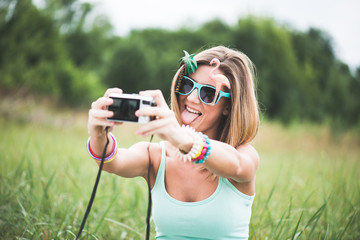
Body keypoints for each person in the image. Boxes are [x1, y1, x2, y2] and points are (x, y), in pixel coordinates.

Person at [87, 46, 260, 239]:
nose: (191, 98)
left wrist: (184, 139)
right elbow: (112, 161)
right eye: (187, 85)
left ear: (228, 107)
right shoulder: (156, 156)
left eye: (208, 93)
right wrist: (98, 134)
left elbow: (236, 166)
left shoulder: (245, 155)